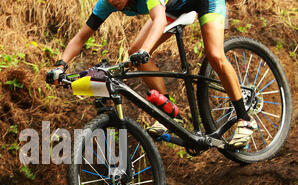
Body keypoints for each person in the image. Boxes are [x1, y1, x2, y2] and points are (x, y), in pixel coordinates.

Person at [46, 0, 257, 148]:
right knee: (133, 51)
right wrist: (61, 65)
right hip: (174, 5)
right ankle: (169, 111)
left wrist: (145, 51)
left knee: (214, 54)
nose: (113, 2)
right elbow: (82, 36)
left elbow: (158, 20)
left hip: (205, 1)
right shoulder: (107, 3)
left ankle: (244, 118)